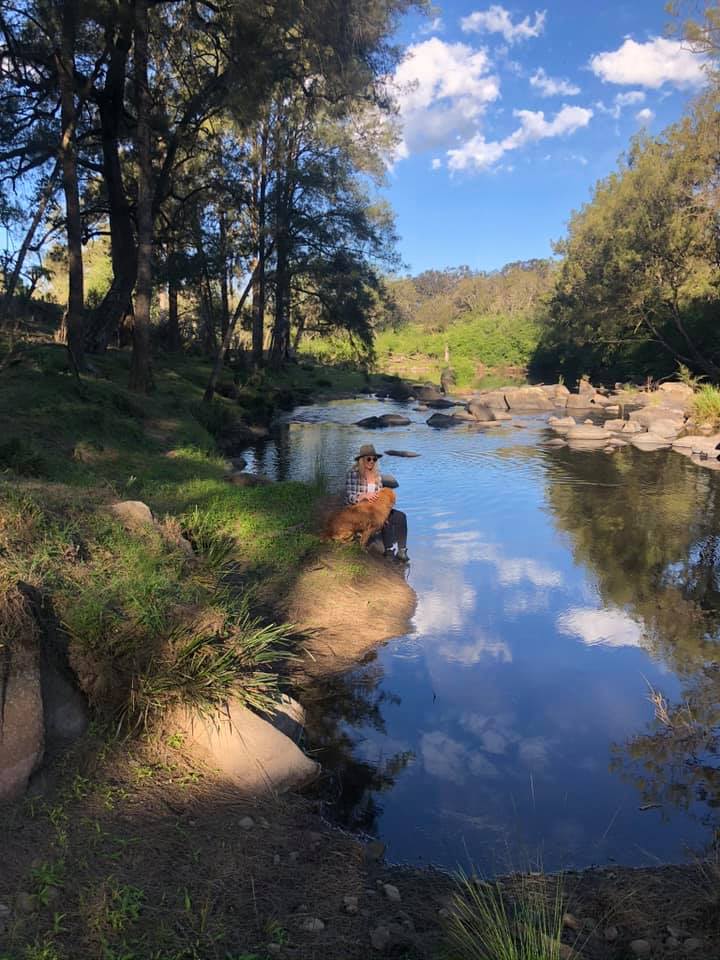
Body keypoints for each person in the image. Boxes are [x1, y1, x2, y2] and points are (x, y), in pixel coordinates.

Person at [345, 443, 409, 562]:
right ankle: (389, 551)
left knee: (400, 517)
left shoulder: (377, 477)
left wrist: (385, 511)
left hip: (377, 509)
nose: (371, 461)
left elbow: (380, 499)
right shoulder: (353, 474)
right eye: (368, 459)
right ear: (361, 460)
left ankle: (402, 551)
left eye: (374, 459)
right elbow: (349, 498)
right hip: (361, 510)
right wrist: (363, 496)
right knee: (380, 518)